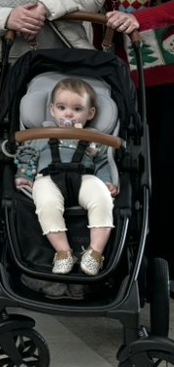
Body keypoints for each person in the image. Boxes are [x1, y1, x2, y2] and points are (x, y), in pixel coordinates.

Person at [87, 0, 174, 272]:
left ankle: (163, 260)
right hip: (114, 72)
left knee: (163, 167)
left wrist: (140, 19)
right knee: (121, 167)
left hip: (165, 73)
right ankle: (125, 255)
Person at [13, 77, 115, 275]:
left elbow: (103, 162)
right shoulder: (38, 135)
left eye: (77, 109)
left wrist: (107, 182)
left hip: (84, 177)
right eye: (62, 108)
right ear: (52, 110)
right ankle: (63, 252)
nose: (68, 113)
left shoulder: (94, 138)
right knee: (46, 203)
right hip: (48, 178)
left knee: (103, 198)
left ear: (90, 113)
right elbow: (27, 156)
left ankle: (95, 252)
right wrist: (24, 176)